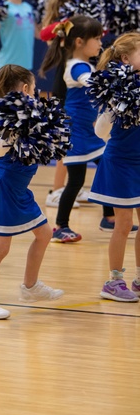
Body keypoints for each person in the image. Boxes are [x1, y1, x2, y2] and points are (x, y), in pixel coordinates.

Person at [0, 65, 65, 320]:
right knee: (0, 249)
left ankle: (30, 286)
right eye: (34, 89)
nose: (36, 93)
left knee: (44, 234)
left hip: (21, 190)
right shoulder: (6, 117)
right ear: (25, 89)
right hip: (6, 189)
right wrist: (10, 136)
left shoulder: (28, 116)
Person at [37, 16, 115, 242]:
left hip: (87, 132)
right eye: (97, 38)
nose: (101, 43)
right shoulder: (75, 67)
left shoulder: (83, 64)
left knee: (106, 169)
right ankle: (60, 226)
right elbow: (91, 82)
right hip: (76, 133)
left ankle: (109, 218)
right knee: (76, 181)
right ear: (80, 42)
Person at [88, 33, 140, 302]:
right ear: (126, 59)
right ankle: (113, 281)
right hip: (121, 163)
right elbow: (100, 130)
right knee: (124, 224)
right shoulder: (117, 92)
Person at [39, 0, 94, 208]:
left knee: (80, 138)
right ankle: (56, 190)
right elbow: (45, 34)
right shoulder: (65, 23)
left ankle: (74, 186)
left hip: (82, 83)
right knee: (67, 139)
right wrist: (72, 21)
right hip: (67, 82)